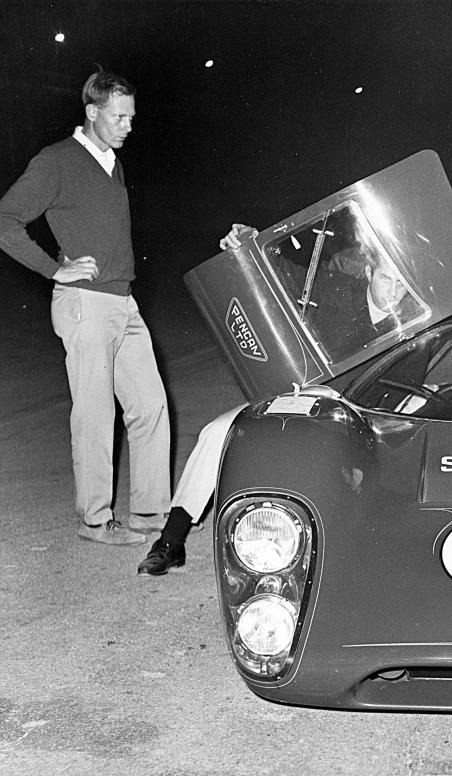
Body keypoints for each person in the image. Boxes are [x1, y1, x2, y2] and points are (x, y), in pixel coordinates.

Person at [138, 222, 417, 574]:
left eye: (400, 284)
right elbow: (284, 272)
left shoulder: (410, 324)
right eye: (385, 279)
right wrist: (248, 245)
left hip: (347, 413)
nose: (392, 292)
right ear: (369, 272)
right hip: (300, 394)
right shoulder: (339, 289)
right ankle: (170, 540)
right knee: (216, 432)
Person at [0, 71, 170, 545]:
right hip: (86, 303)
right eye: (119, 116)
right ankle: (95, 520)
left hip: (122, 300)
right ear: (92, 112)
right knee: (96, 414)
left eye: (132, 117)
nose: (128, 125)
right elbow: (5, 220)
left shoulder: (112, 163)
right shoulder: (56, 161)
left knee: (151, 405)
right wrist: (54, 270)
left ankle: (152, 515)